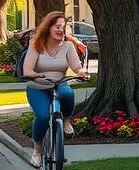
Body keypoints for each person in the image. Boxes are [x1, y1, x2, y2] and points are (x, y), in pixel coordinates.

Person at [21, 11, 88, 168]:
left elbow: (77, 67)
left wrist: (82, 73)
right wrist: (38, 76)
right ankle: (37, 150)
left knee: (67, 93)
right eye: (57, 27)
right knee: (43, 117)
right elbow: (27, 70)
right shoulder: (36, 45)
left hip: (59, 84)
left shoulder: (68, 47)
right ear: (48, 28)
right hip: (38, 87)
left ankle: (65, 120)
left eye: (63, 27)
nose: (61, 30)